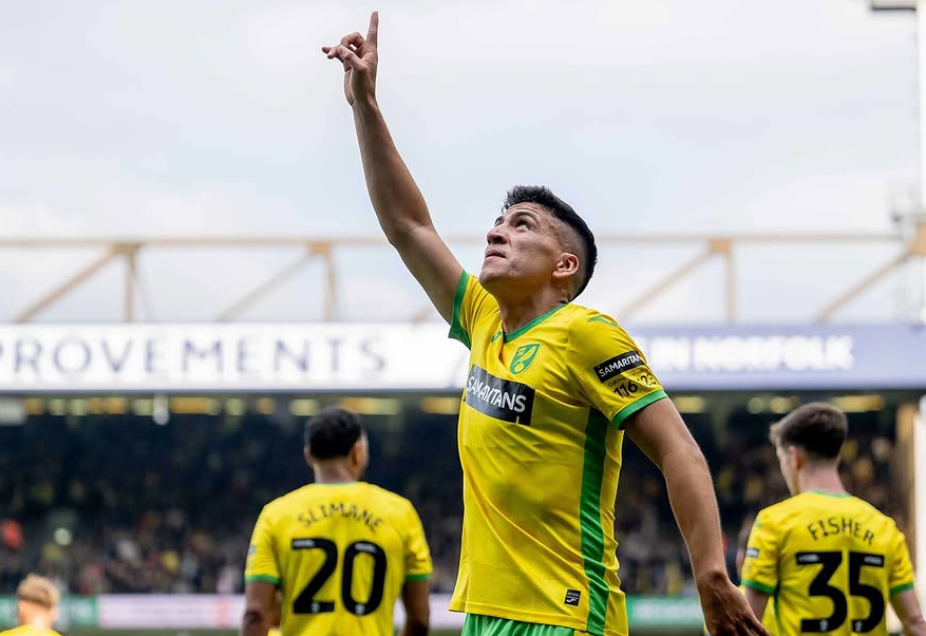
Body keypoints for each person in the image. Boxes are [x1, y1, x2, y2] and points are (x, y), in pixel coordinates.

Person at [322, 12, 768, 636]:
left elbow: (677, 449)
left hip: (567, 615)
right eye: (497, 221)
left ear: (564, 266)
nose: (496, 231)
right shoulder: (482, 320)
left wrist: (711, 575)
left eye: (521, 224)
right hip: (486, 615)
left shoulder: (586, 333)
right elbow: (408, 227)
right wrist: (365, 106)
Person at [741, 403, 926, 636]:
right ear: (838, 456)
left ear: (794, 457)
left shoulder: (774, 523)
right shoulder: (884, 528)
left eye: (781, 460)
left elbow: (747, 625)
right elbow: (915, 622)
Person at [241, 407, 432, 636]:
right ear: (358, 453)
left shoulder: (276, 516)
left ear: (309, 455)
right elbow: (419, 620)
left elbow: (256, 615)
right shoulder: (400, 513)